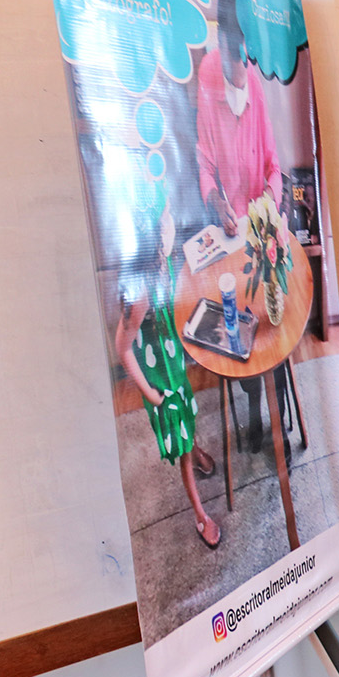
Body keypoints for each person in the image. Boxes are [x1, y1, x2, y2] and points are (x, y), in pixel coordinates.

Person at [197, 0, 284, 451]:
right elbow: (204, 161)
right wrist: (218, 204)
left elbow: (272, 164)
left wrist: (267, 202)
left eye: (243, 62)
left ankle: (279, 408)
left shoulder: (255, 79)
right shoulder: (208, 74)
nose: (238, 72)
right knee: (240, 316)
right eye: (233, 62)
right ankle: (253, 404)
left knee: (276, 315)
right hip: (229, 233)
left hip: (262, 228)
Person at [114, 190, 220, 550]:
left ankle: (196, 448)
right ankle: (200, 514)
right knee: (182, 446)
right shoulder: (141, 292)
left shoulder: (165, 263)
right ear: (156, 237)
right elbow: (122, 347)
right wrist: (150, 394)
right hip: (160, 381)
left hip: (173, 362)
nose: (173, 222)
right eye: (167, 218)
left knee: (189, 415)